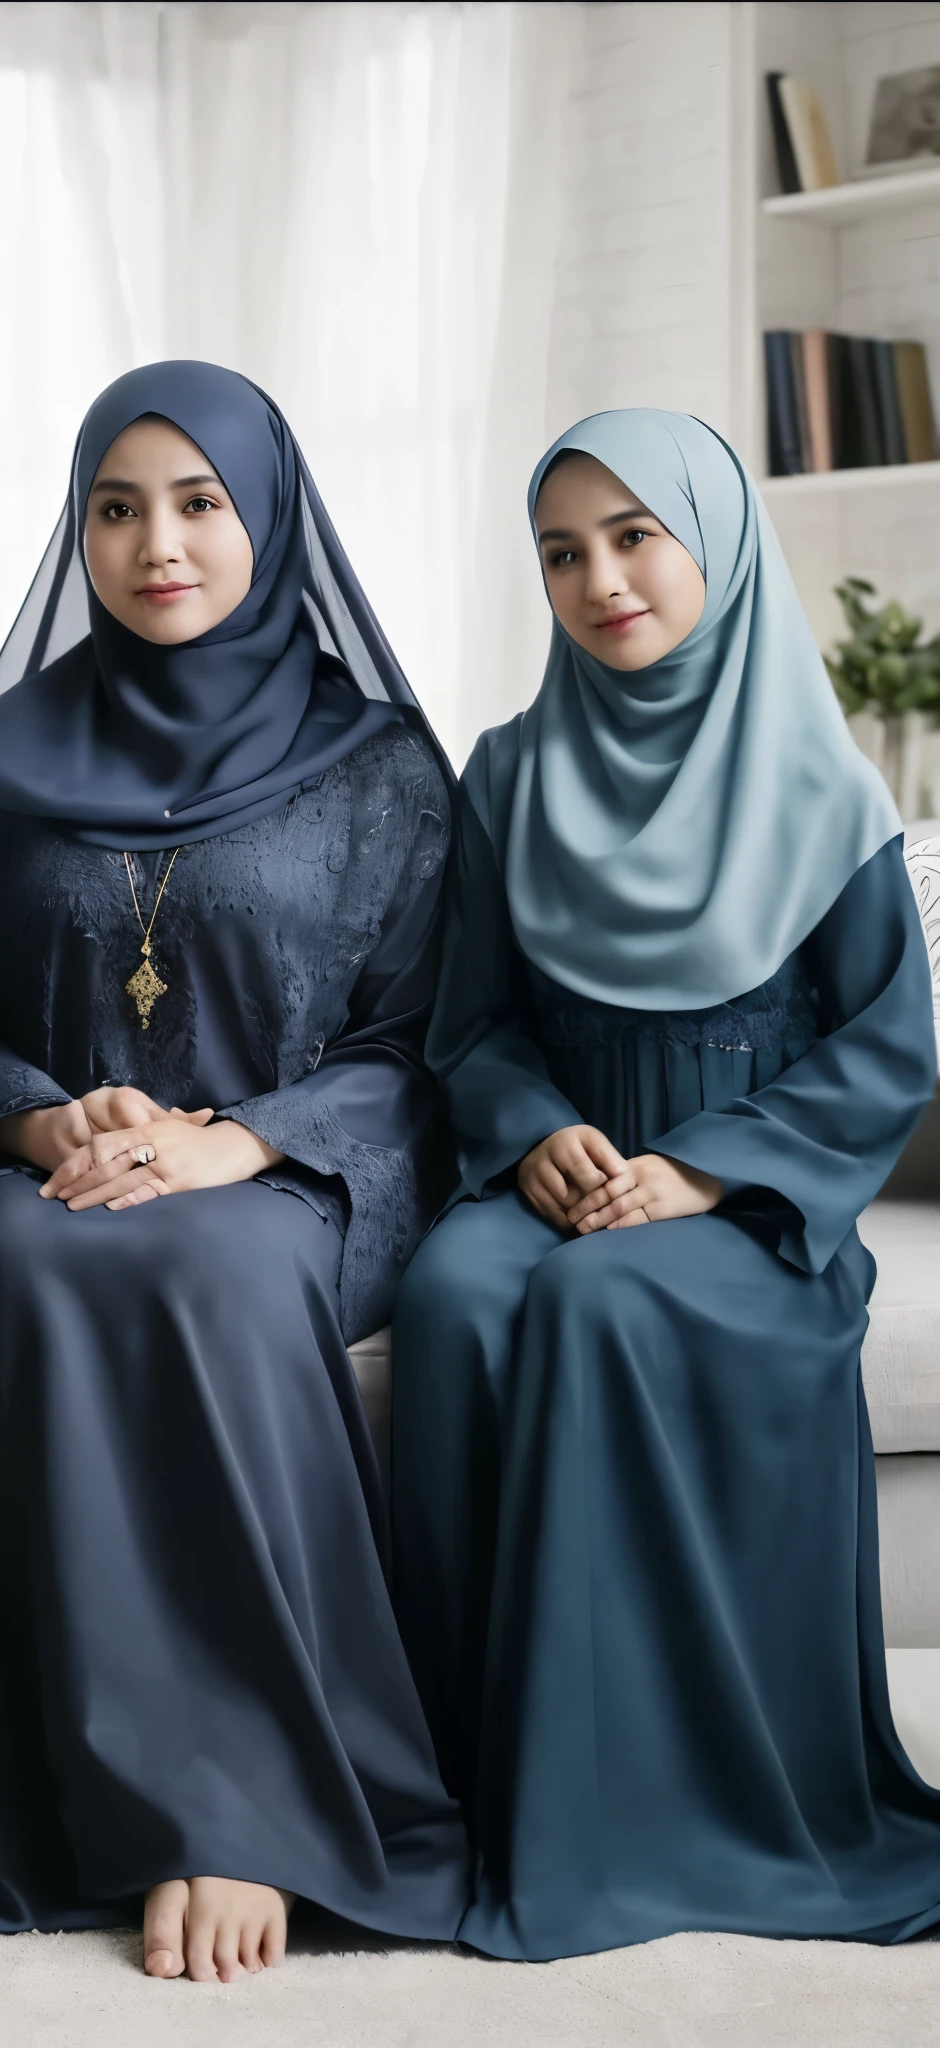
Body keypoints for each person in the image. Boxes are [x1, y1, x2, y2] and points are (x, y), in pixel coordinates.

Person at [0, 362, 470, 1980]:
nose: (158, 543)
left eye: (200, 501)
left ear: (268, 517)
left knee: (213, 1264)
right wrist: (36, 1120)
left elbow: (425, 1038)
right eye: (116, 506)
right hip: (50, 1172)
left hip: (282, 1185)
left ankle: (244, 1810)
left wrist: (237, 1139)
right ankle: (62, 1803)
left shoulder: (383, 770)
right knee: (15, 1261)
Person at [389, 408, 940, 1959]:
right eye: (563, 551)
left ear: (719, 545)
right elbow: (474, 1022)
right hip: (559, 1171)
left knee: (598, 1307)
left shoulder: (824, 790)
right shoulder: (507, 774)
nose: (601, 578)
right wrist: (533, 1128)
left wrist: (705, 1170)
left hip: (753, 1205)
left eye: (637, 537)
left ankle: (631, 1812)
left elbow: (885, 1050)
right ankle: (456, 1788)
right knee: (454, 1297)